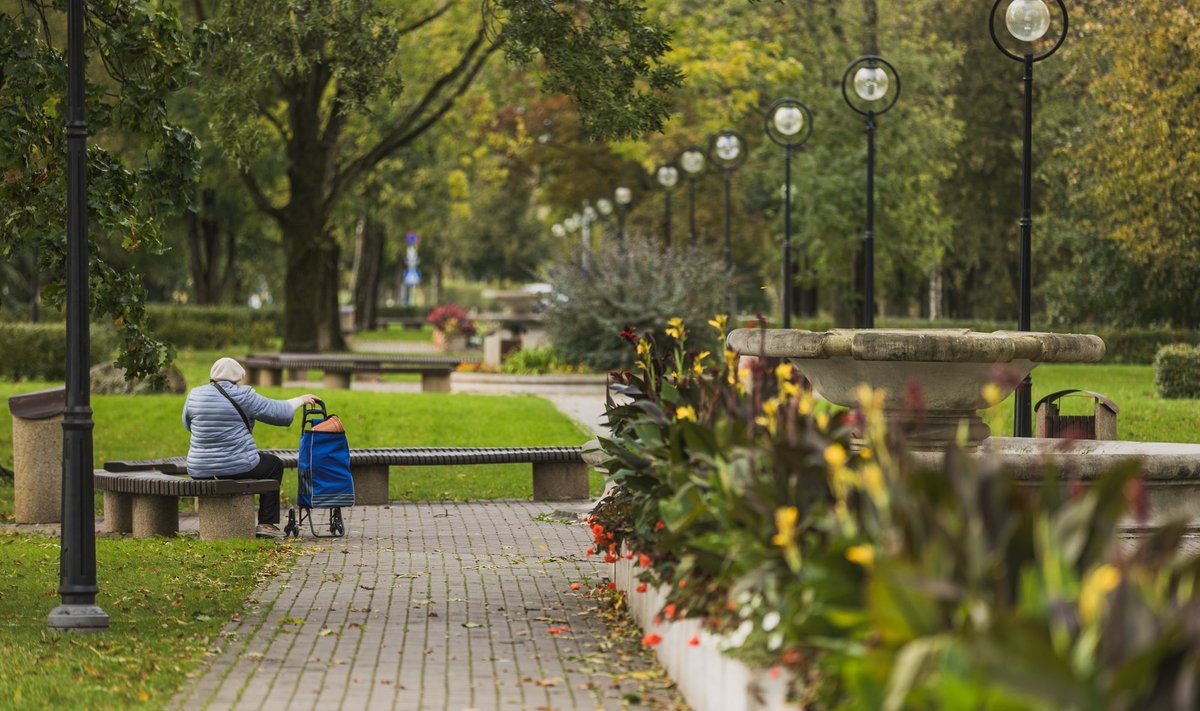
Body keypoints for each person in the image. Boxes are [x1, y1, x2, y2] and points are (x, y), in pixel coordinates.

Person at [182, 357, 318, 538]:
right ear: (238, 376)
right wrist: (300, 399)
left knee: (248, 466)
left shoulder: (195, 394)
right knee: (274, 465)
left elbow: (188, 424)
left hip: (199, 467)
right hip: (235, 466)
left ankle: (215, 525)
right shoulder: (244, 395)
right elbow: (277, 412)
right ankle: (266, 523)